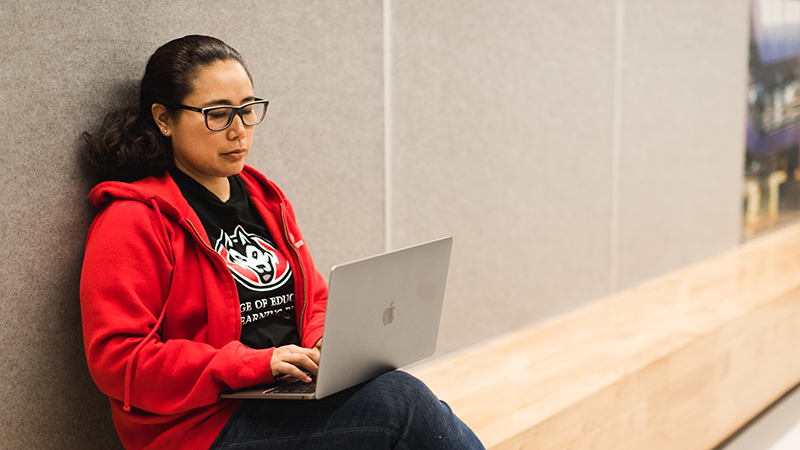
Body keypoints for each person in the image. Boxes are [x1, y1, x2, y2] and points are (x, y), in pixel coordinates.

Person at [80, 35, 484, 450]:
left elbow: (314, 299)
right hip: (202, 425)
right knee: (402, 404)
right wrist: (253, 364)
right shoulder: (132, 219)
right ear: (164, 119)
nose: (239, 131)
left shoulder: (262, 197)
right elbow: (119, 359)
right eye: (218, 115)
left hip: (280, 393)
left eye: (248, 110)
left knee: (396, 390)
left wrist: (324, 341)